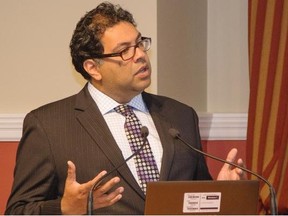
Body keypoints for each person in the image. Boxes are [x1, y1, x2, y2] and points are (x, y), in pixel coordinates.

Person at [5, 2, 245, 215]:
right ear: (93, 68)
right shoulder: (49, 125)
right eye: (125, 50)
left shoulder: (180, 116)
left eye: (140, 43)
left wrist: (222, 194)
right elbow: (18, 210)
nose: (141, 55)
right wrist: (65, 209)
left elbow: (192, 199)